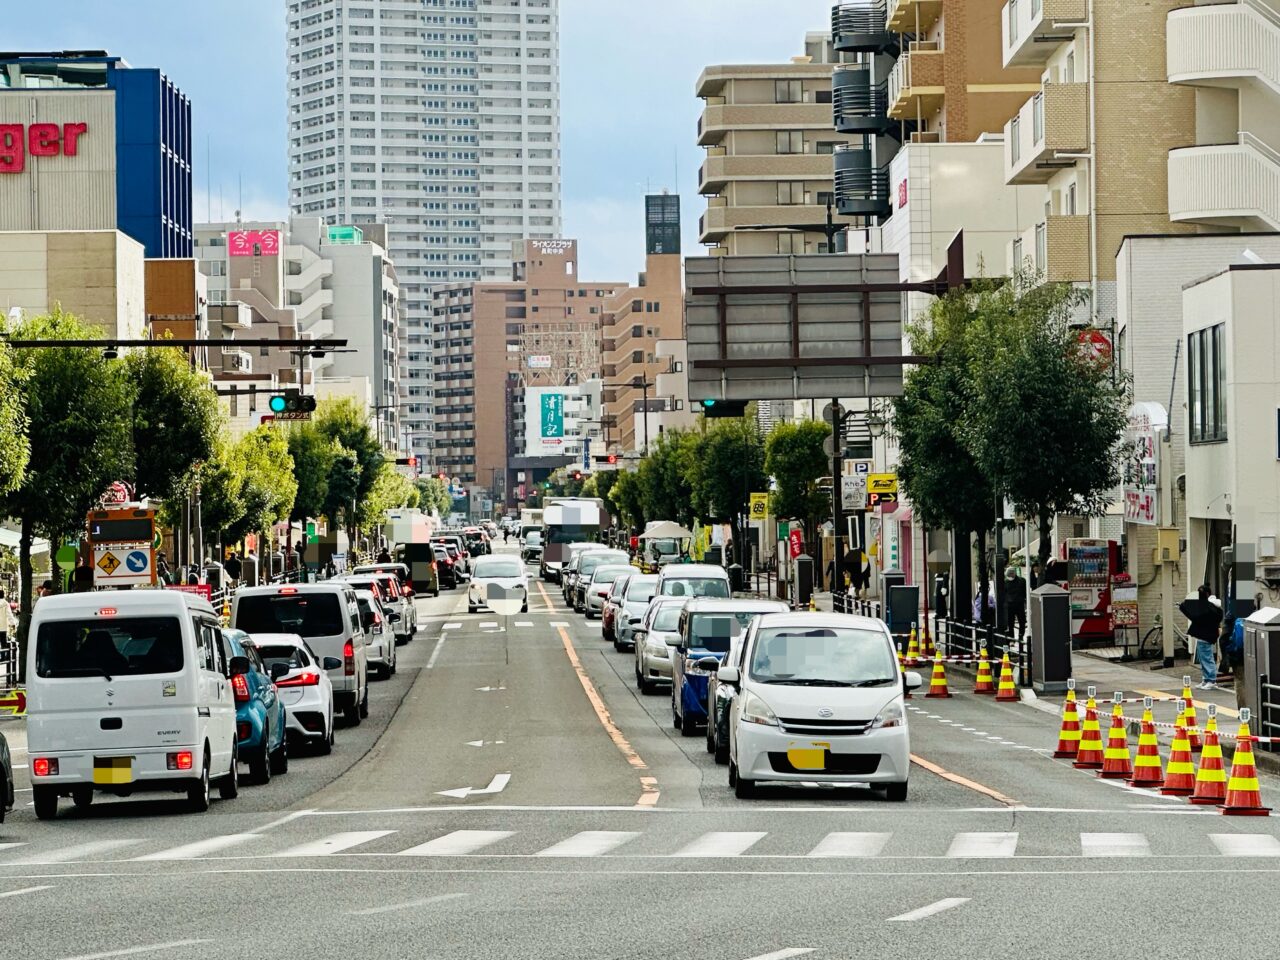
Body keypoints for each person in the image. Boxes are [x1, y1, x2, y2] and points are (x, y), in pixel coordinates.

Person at [1180, 584, 1223, 689]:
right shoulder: (1210, 607)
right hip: (1204, 635)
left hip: (1206, 636)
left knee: (1207, 658)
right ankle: (1206, 679)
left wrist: (1184, 608)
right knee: (1204, 659)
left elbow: (1196, 617)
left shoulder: (1210, 607)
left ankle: (1211, 680)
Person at [1004, 568, 1027, 639]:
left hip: (1018, 604)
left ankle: (1019, 637)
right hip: (1011, 605)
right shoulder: (1005, 582)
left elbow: (1024, 592)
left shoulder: (1022, 581)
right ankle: (1013, 638)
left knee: (1021, 622)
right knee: (1011, 622)